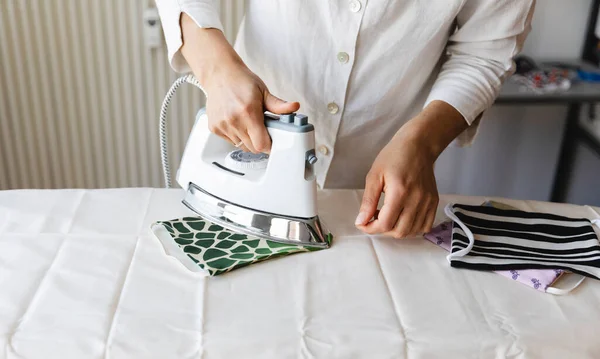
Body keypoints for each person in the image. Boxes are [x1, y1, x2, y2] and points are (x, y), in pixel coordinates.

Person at [155, 0, 535, 238]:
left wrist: (422, 140)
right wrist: (218, 71)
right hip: (248, 134)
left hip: (378, 170)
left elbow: (483, 53)